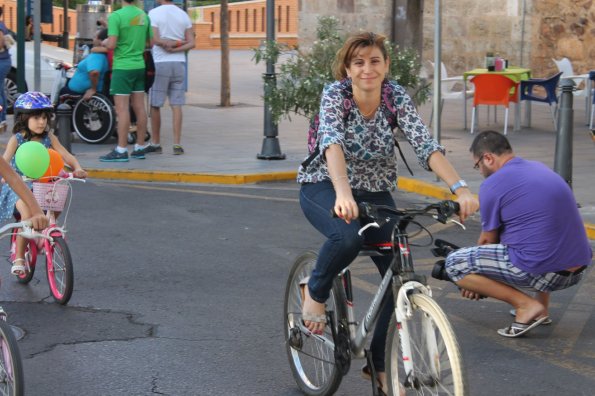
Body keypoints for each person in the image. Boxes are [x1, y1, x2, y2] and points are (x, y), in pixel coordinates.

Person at [297, 32, 479, 394]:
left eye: (374, 61)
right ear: (348, 69)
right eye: (359, 62)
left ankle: (378, 365)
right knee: (346, 237)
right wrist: (343, 194)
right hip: (324, 184)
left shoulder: (395, 96)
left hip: (376, 191)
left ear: (385, 65)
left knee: (397, 269)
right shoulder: (336, 95)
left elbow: (425, 144)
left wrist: (460, 188)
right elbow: (331, 142)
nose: (368, 69)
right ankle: (315, 292)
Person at [445, 130, 592, 338]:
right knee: (534, 238)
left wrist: (474, 278)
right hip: (578, 269)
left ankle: (526, 305)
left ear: (488, 158)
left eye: (477, 165)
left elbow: (488, 240)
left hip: (545, 272)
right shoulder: (540, 168)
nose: (479, 171)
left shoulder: (492, 185)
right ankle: (542, 308)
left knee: (454, 264)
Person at [0, 92, 86, 275]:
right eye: (36, 117)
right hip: (18, 186)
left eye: (45, 118)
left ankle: (47, 228)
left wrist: (77, 167)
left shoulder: (49, 137)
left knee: (57, 198)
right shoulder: (18, 139)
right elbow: (5, 161)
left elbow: (65, 154)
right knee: (27, 212)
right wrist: (3, 176)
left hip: (42, 183)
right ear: (24, 118)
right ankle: (19, 257)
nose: (42, 122)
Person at [100, 0, 153, 162]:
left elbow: (112, 43)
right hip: (139, 65)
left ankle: (121, 149)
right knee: (139, 107)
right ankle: (139, 147)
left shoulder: (116, 16)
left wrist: (104, 42)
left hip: (122, 68)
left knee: (122, 109)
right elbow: (150, 43)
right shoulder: (143, 15)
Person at [144, 0, 195, 155]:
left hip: (160, 63)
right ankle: (177, 144)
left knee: (155, 105)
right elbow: (192, 43)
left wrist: (167, 45)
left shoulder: (153, 13)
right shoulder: (183, 15)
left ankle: (156, 143)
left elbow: (154, 40)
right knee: (177, 104)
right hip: (179, 63)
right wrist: (177, 46)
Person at [59, 28, 110, 100]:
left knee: (62, 92)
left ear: (101, 41)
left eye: (95, 37)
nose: (93, 39)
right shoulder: (103, 53)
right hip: (80, 91)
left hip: (78, 94)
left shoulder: (97, 55)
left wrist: (93, 89)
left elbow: (94, 72)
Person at [0, 7, 12, 132]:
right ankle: (2, 120)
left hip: (1, 61)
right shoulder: (2, 25)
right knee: (1, 91)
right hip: (4, 61)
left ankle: (0, 120)